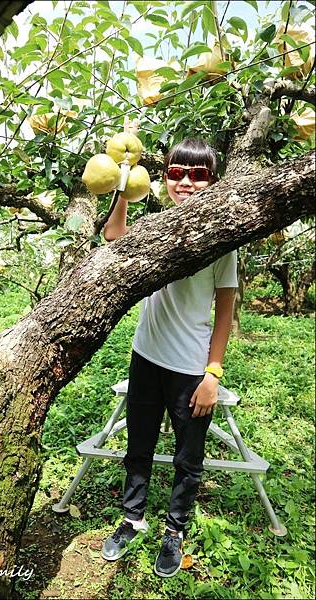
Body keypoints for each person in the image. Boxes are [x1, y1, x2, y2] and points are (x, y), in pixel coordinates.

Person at [101, 138, 238, 578]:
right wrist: (123, 186)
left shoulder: (223, 243)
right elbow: (113, 238)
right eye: (177, 173)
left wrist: (212, 375)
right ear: (163, 179)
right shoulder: (156, 227)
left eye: (197, 175)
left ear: (212, 181)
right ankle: (132, 517)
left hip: (190, 370)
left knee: (187, 457)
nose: (186, 182)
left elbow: (225, 313)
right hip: (146, 356)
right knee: (138, 445)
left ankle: (175, 530)